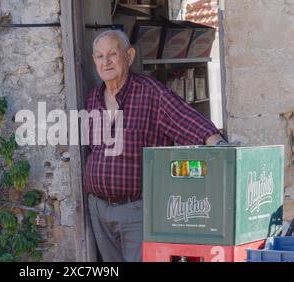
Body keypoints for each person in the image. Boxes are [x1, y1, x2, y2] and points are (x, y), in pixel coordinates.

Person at [84, 29, 226, 262]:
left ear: (128, 56)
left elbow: (185, 119)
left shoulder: (150, 92)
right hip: (98, 209)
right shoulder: (92, 98)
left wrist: (219, 144)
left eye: (112, 54)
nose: (106, 61)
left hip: (137, 210)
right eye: (99, 56)